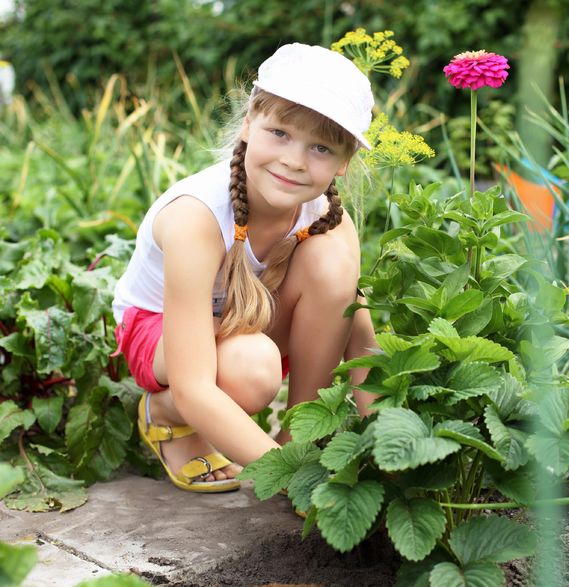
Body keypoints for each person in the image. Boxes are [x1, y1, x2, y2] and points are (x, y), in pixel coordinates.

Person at [111, 43, 378, 492]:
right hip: (161, 333)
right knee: (250, 369)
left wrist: (394, 445)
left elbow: (362, 341)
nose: (294, 161)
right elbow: (197, 384)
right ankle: (167, 417)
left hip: (248, 316)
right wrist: (294, 480)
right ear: (249, 123)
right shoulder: (196, 217)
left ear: (344, 161)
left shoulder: (327, 218)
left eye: (320, 148)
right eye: (280, 134)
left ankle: (299, 435)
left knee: (334, 264)